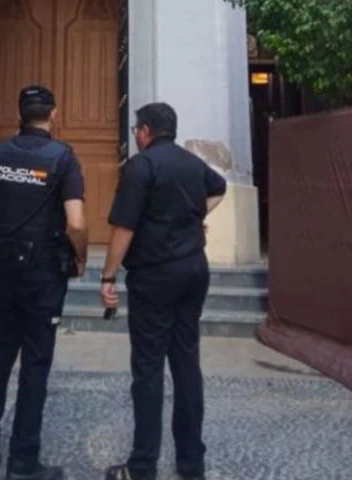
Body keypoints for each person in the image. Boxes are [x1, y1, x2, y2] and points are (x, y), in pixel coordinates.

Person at [99, 102, 227, 480]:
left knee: (148, 370)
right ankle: (191, 463)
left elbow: (124, 227)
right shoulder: (192, 162)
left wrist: (107, 277)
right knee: (186, 364)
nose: (136, 136)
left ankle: (142, 466)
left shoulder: (141, 166)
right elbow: (219, 188)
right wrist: (195, 217)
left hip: (155, 276)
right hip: (193, 270)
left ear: (146, 132)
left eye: (136, 130)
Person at [0, 85, 88, 480]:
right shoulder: (64, 158)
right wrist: (81, 258)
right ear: (53, 114)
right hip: (42, 273)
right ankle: (23, 461)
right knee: (35, 364)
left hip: (1, 270)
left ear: (19, 113)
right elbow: (76, 223)